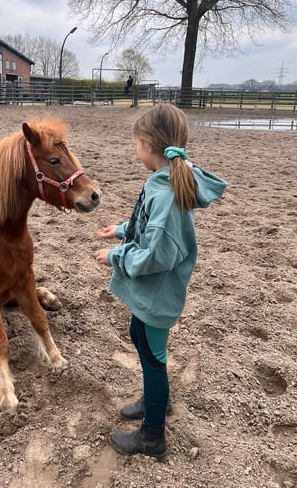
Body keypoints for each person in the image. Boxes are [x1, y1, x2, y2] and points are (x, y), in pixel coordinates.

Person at [94, 103, 228, 459]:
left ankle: (152, 436)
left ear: (149, 145)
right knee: (139, 335)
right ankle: (157, 399)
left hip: (159, 292)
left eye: (136, 142)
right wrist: (121, 230)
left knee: (153, 358)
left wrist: (116, 255)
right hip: (152, 293)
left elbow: (158, 254)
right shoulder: (163, 179)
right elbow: (148, 225)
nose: (135, 149)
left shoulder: (167, 192)